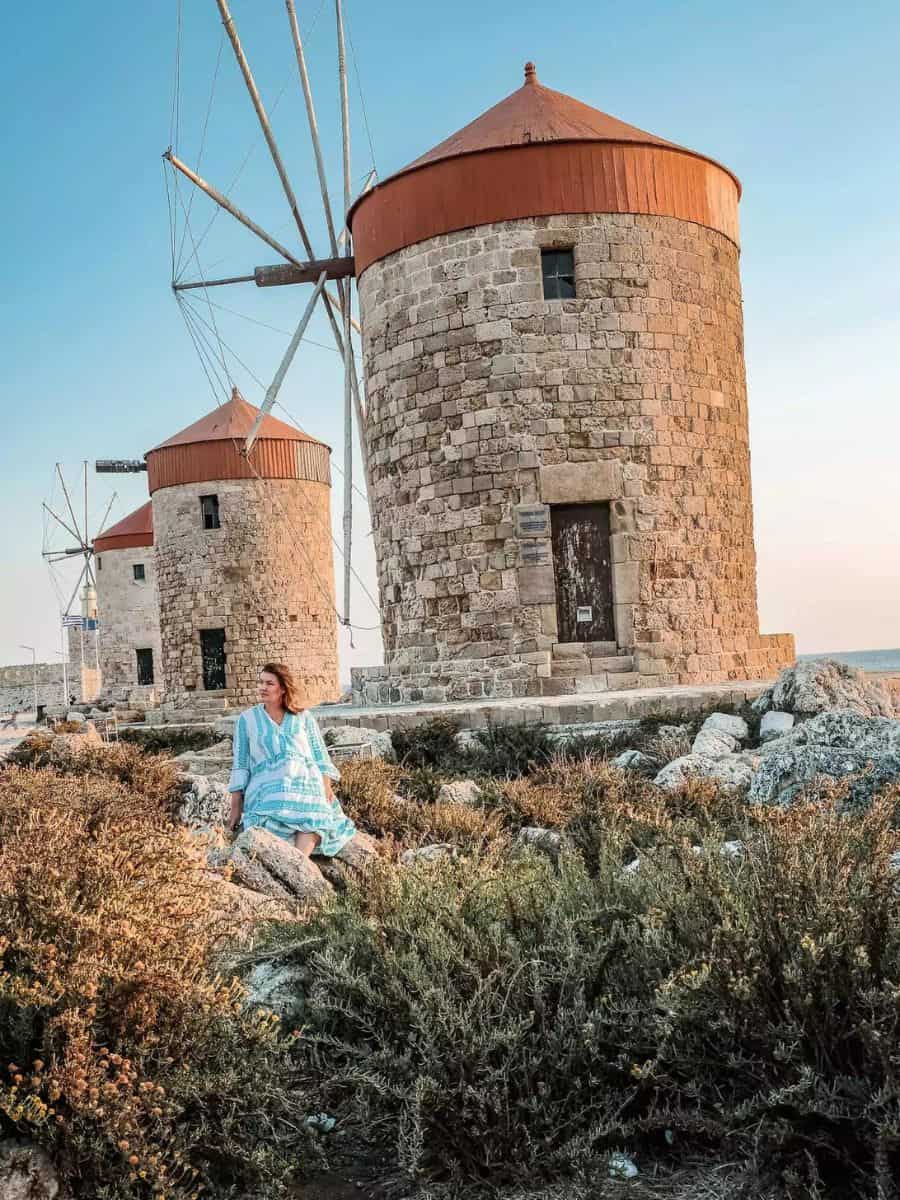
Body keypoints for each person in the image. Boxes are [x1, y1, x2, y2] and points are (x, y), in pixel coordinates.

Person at [226, 662, 355, 858]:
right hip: (268, 785)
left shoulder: (303, 717)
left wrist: (326, 786)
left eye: (269, 683)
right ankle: (297, 866)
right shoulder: (247, 719)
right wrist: (236, 806)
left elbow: (319, 755)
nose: (262, 687)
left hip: (305, 783)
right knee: (271, 814)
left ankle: (298, 864)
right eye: (260, 682)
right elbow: (241, 764)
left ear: (283, 688)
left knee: (314, 818)